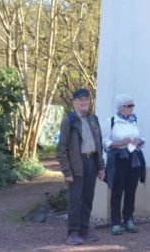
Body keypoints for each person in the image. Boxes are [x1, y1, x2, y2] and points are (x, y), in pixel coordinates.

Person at [56, 88, 106, 246]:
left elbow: (99, 144)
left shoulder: (93, 119)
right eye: (80, 99)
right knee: (75, 200)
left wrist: (101, 166)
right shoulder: (69, 120)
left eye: (87, 99)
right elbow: (61, 148)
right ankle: (73, 232)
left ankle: (85, 228)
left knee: (88, 198)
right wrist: (67, 171)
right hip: (77, 164)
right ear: (74, 102)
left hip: (92, 161)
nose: (84, 102)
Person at [103, 94, 146, 235]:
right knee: (117, 190)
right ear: (121, 107)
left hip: (133, 159)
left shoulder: (135, 120)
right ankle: (115, 222)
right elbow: (105, 142)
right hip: (118, 160)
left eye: (132, 105)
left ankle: (128, 219)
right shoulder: (111, 121)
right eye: (129, 105)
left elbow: (142, 137)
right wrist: (120, 143)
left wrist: (138, 141)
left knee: (131, 190)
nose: (132, 108)